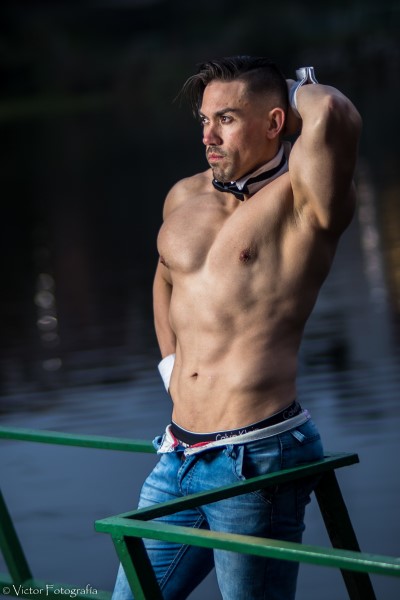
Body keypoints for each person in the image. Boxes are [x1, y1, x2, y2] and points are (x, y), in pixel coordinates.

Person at [112, 56, 362, 600]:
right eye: (204, 120)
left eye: (226, 119)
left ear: (275, 122)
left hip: (256, 458)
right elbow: (164, 279)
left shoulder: (307, 198)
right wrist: (170, 368)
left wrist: (297, 84)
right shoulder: (185, 196)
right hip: (177, 455)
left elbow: (333, 112)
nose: (209, 136)